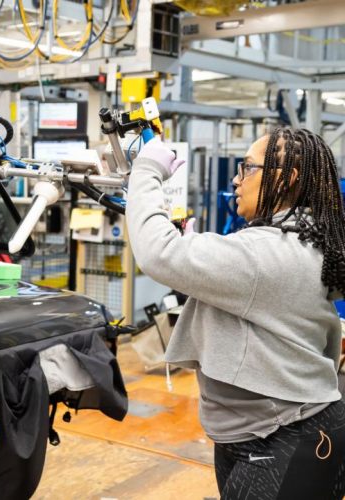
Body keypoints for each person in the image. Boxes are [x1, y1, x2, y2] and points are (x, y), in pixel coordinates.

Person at [126, 128, 345, 499]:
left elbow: (157, 254)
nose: (236, 179)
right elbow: (262, 303)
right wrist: (197, 270)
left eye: (248, 168)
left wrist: (146, 170)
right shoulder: (305, 240)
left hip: (281, 437)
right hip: (272, 429)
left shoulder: (263, 253)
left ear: (287, 178)